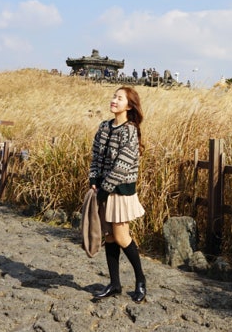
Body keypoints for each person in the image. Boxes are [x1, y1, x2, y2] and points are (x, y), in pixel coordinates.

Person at [89, 86, 147, 303]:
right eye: (114, 96)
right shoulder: (104, 127)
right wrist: (93, 180)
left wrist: (105, 188)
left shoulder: (130, 130)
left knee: (122, 237)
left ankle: (141, 280)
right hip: (103, 189)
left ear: (129, 105)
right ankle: (114, 284)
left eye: (119, 98)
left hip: (120, 191)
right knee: (109, 237)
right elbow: (95, 156)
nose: (114, 100)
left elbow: (123, 164)